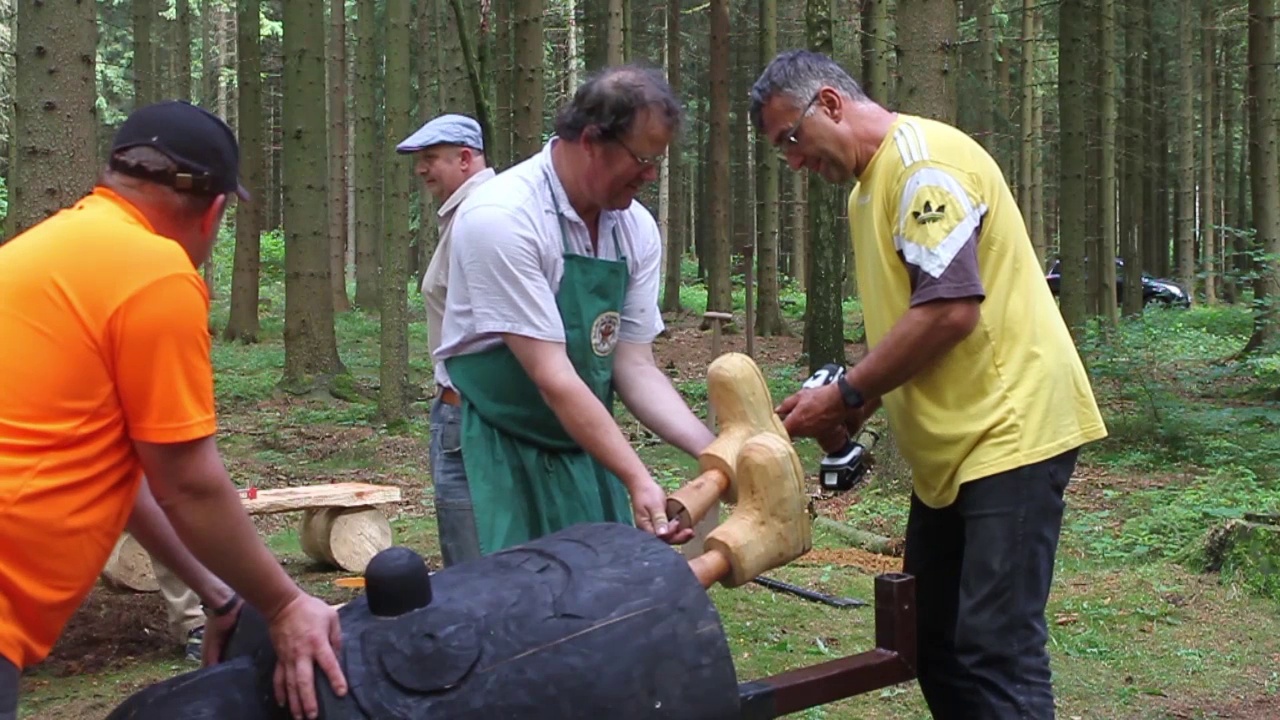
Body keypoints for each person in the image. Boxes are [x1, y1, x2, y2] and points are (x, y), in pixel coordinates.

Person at [750, 51, 1108, 719]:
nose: (794, 163)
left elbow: (949, 309)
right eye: (781, 153)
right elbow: (910, 318)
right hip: (952, 453)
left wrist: (850, 391)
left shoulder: (920, 163)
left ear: (829, 103)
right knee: (933, 639)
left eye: (791, 140)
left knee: (996, 648)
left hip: (1013, 430)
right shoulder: (867, 190)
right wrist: (856, 404)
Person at [0, 100, 347, 720]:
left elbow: (124, 478)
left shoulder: (42, 252)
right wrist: (286, 605)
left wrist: (220, 596)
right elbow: (188, 484)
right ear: (215, 210)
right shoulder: (155, 274)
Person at [434, 65, 715, 555]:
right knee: (498, 612)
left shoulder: (634, 230)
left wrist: (712, 451)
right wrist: (636, 474)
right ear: (590, 140)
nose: (651, 176)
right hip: (490, 440)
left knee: (589, 607)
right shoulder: (502, 218)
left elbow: (633, 365)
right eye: (642, 159)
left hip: (579, 442)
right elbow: (553, 376)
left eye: (658, 162)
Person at [394, 114, 495, 567]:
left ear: (466, 159)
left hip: (472, 410)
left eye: (431, 158)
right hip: (460, 406)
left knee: (472, 565)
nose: (421, 169)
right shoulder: (464, 215)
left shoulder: (483, 217)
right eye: (419, 160)